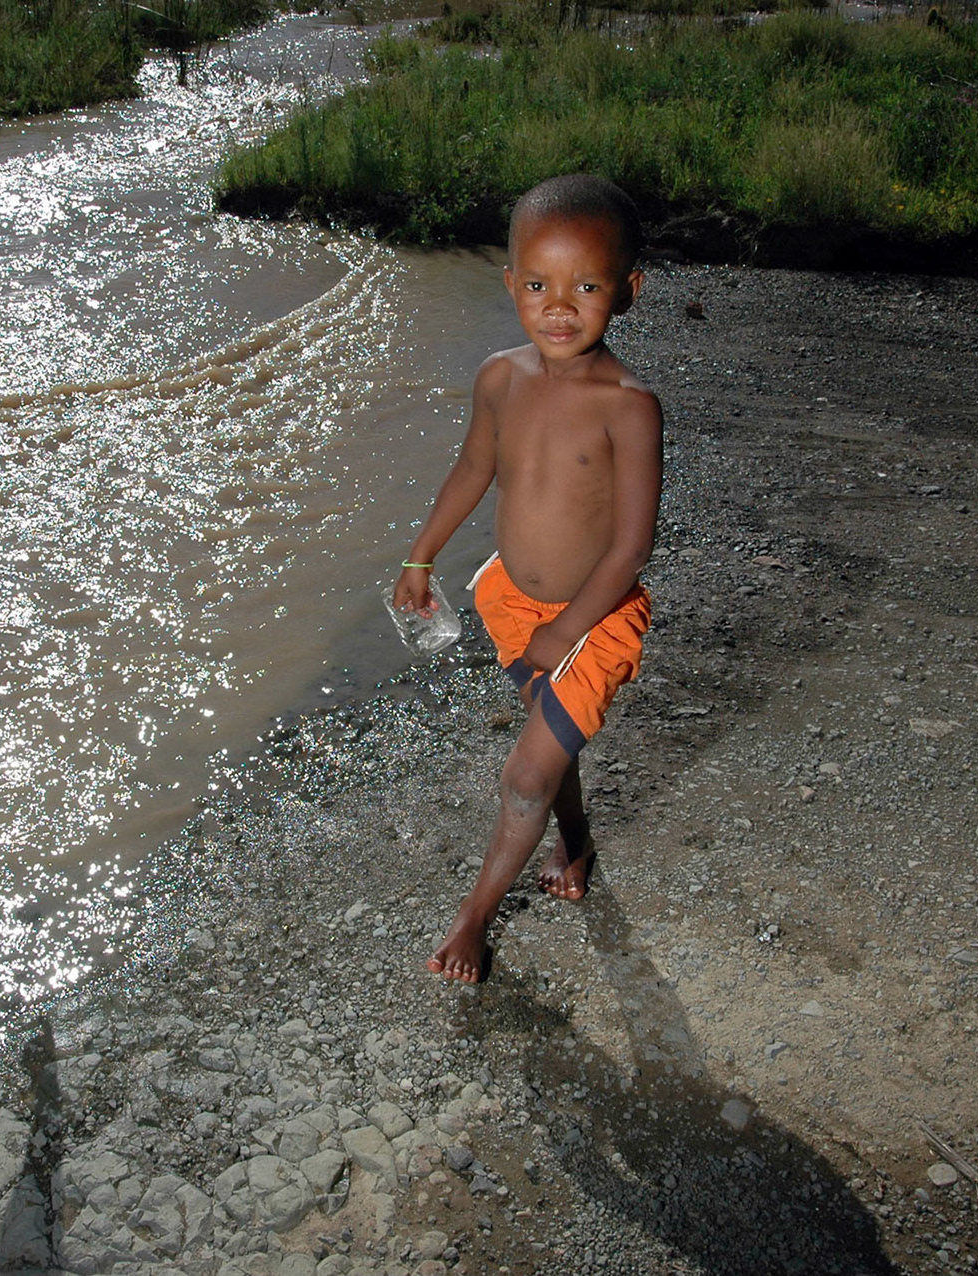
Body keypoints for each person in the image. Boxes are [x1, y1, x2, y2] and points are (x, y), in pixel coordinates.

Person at [393, 175, 662, 984]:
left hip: (592, 616)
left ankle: (473, 919)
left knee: (525, 773)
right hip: (513, 598)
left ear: (628, 290)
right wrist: (420, 555)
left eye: (586, 287)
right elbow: (474, 468)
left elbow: (630, 549)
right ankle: (573, 840)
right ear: (510, 283)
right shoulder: (500, 378)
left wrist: (568, 628)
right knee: (554, 742)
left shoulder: (628, 405)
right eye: (538, 285)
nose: (558, 306)